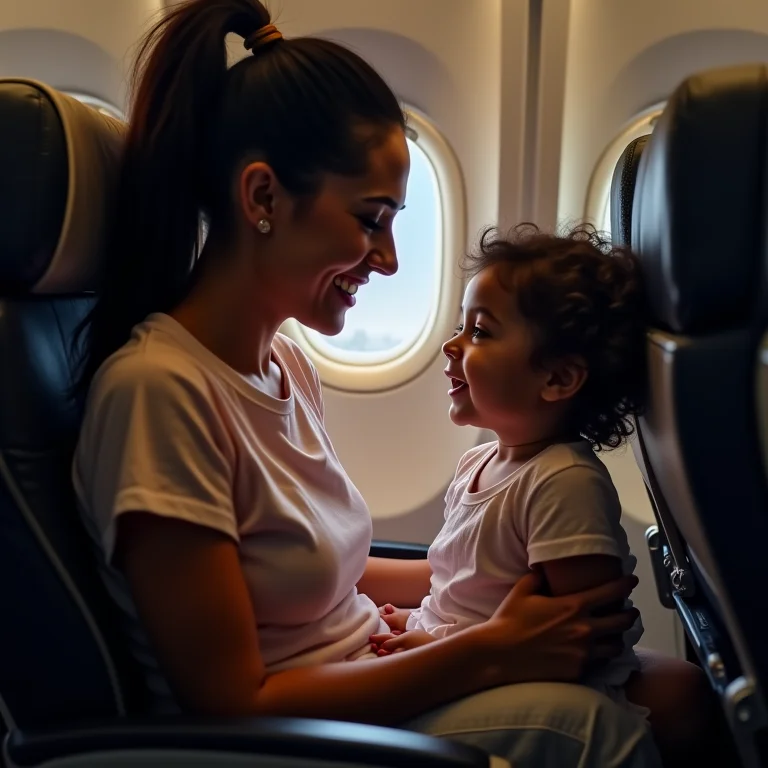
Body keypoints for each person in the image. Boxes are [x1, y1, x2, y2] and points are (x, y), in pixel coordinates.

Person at [70, 1, 694, 765]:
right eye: (371, 219)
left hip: (370, 667)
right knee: (601, 729)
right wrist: (490, 650)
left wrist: (489, 587)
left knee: (683, 697)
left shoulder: (284, 363)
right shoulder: (158, 394)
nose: (390, 258)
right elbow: (232, 701)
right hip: (300, 739)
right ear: (262, 198)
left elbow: (314, 568)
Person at [367, 225, 680, 762]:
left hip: (531, 682)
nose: (451, 344)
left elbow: (578, 639)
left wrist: (435, 645)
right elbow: (462, 577)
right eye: (460, 325)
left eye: (481, 332)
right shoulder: (479, 462)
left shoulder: (563, 482)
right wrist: (421, 617)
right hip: (473, 658)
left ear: (557, 378)